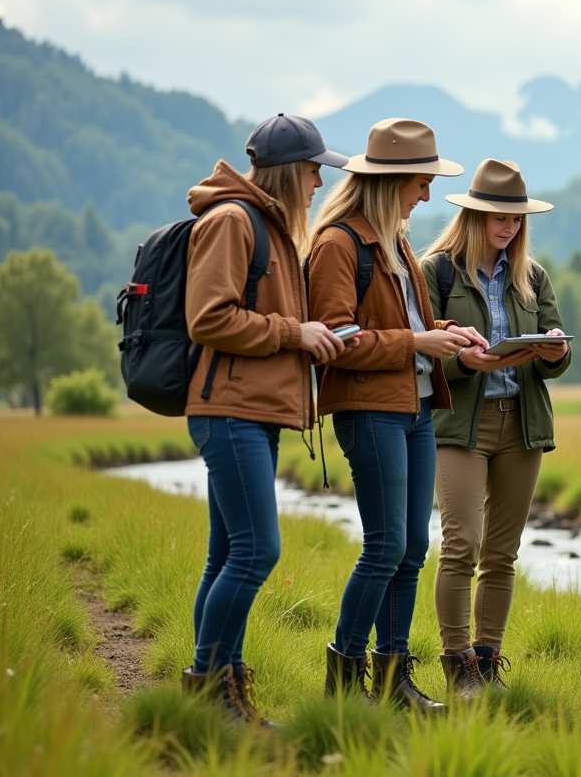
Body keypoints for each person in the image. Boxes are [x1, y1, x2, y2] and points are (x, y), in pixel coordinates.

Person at [307, 118, 485, 714]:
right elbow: (338, 338)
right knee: (384, 546)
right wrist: (418, 344)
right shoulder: (338, 244)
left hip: (415, 408)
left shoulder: (397, 241)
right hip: (369, 410)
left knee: (411, 548)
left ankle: (392, 679)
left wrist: (444, 333)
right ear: (389, 183)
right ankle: (344, 678)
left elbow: (405, 325)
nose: (427, 195)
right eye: (419, 183)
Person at [181, 113, 352, 724]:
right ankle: (208, 688)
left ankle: (217, 692)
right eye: (313, 172)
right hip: (229, 411)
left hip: (252, 412)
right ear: (288, 172)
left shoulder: (274, 228)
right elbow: (209, 318)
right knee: (257, 552)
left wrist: (308, 335)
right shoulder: (232, 221)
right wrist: (294, 333)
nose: (318, 185)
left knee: (227, 555)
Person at [420, 159, 571, 699]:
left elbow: (556, 361)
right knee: (462, 543)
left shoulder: (533, 277)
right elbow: (418, 354)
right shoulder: (435, 271)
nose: (508, 228)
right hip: (459, 423)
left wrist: (553, 349)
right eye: (498, 217)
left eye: (517, 219)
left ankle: (487, 660)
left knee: (503, 552)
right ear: (474, 215)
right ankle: (457, 665)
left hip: (521, 423)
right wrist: (465, 364)